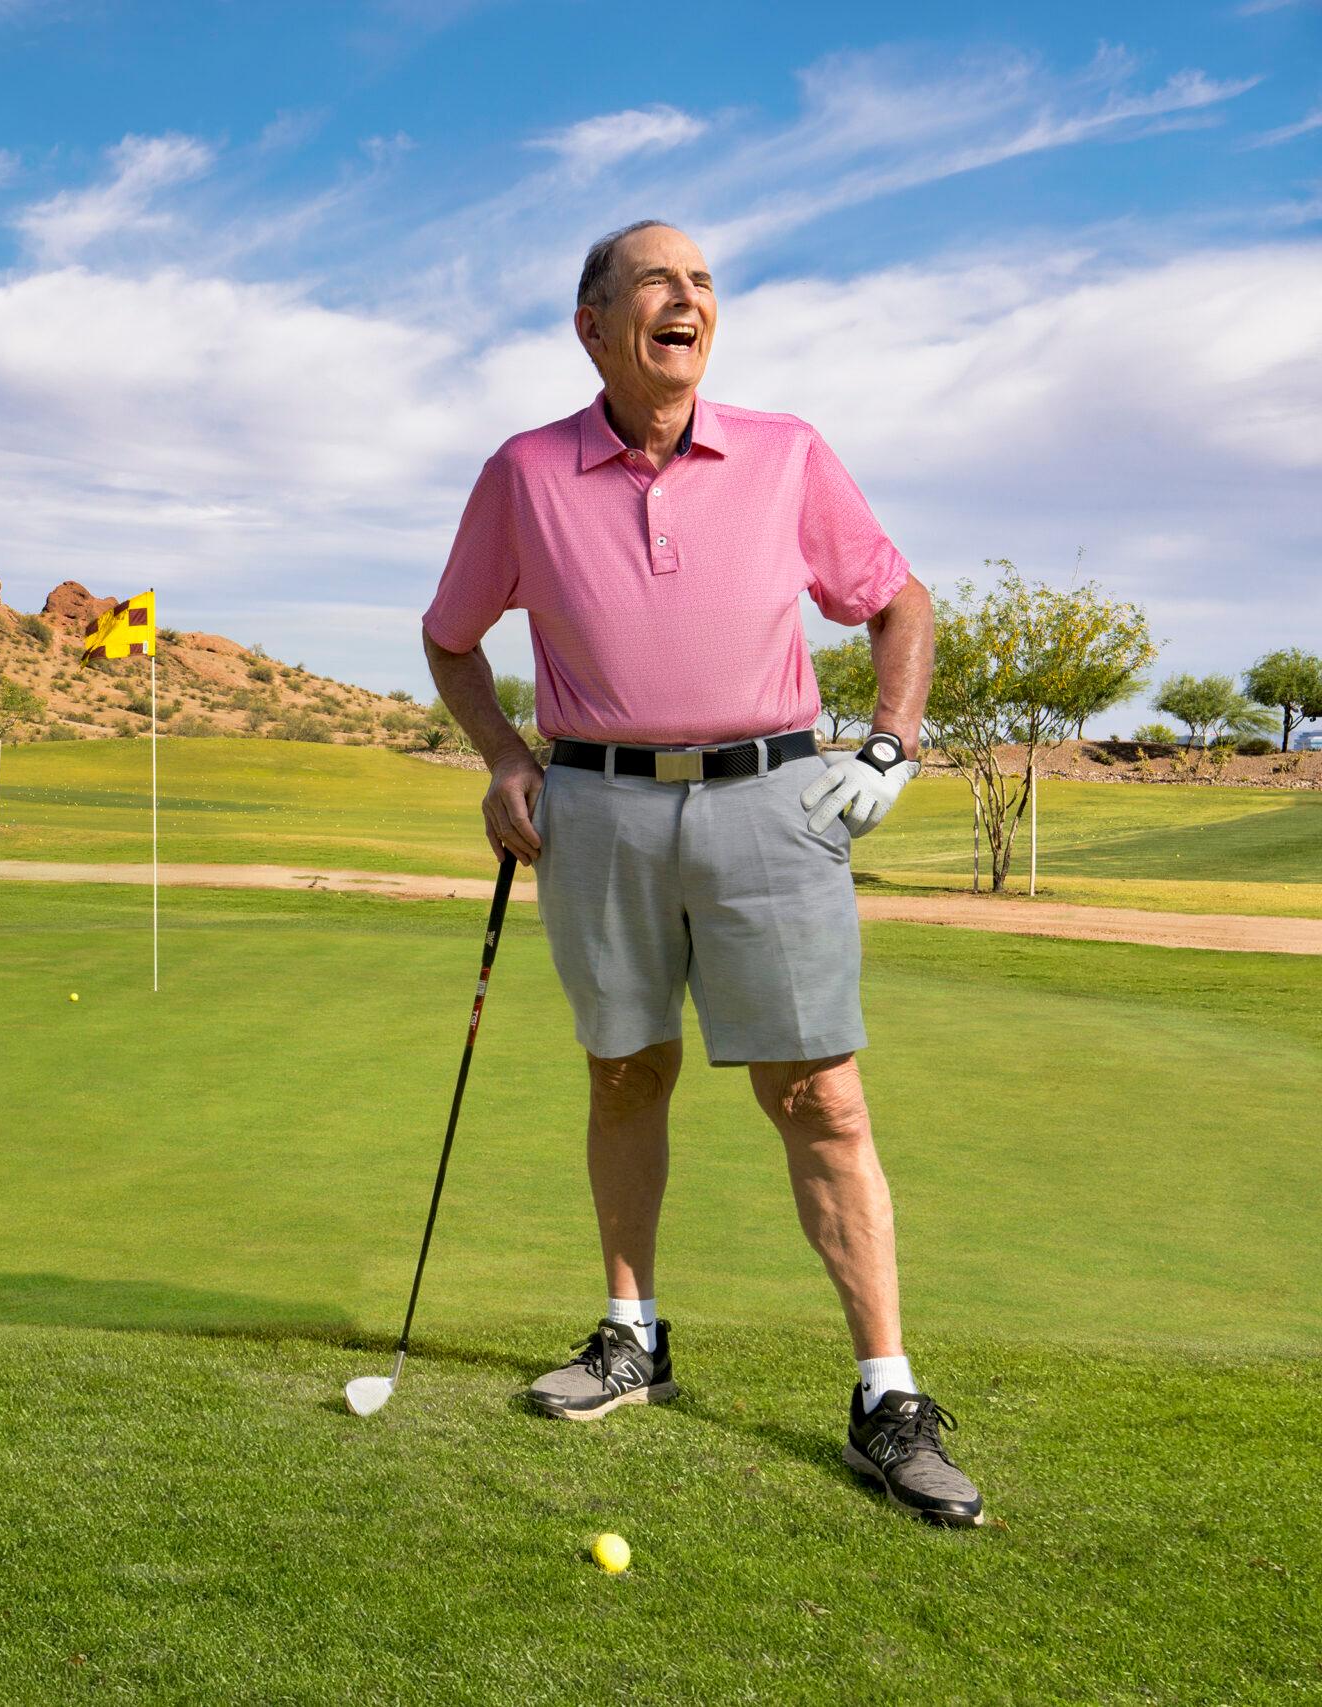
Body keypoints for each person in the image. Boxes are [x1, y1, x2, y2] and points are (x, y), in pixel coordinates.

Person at [421, 220, 981, 1526]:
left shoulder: (785, 451)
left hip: (774, 803)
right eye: (658, 281)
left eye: (705, 282)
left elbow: (898, 601)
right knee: (625, 1069)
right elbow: (452, 638)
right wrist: (505, 755)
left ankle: (886, 1396)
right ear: (596, 325)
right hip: (597, 810)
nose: (690, 297)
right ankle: (633, 1336)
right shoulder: (525, 471)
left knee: (822, 1097)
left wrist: (891, 745)